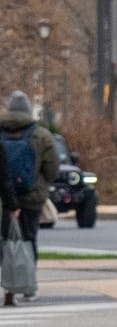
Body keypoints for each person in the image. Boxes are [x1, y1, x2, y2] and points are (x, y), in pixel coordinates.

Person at [1, 91, 58, 305]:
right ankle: (29, 287)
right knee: (29, 239)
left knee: (8, 242)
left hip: (5, 199)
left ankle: (9, 287)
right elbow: (52, 170)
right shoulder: (41, 135)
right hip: (33, 196)